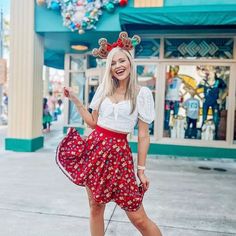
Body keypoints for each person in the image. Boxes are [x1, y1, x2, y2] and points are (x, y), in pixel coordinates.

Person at [56, 32, 162, 236]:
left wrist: (141, 169)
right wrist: (77, 100)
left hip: (119, 157)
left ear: (130, 62)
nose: (118, 66)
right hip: (94, 151)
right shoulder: (103, 90)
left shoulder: (142, 93)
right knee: (95, 207)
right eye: (113, 63)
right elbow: (93, 123)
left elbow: (143, 135)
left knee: (138, 216)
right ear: (109, 68)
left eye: (122, 60)